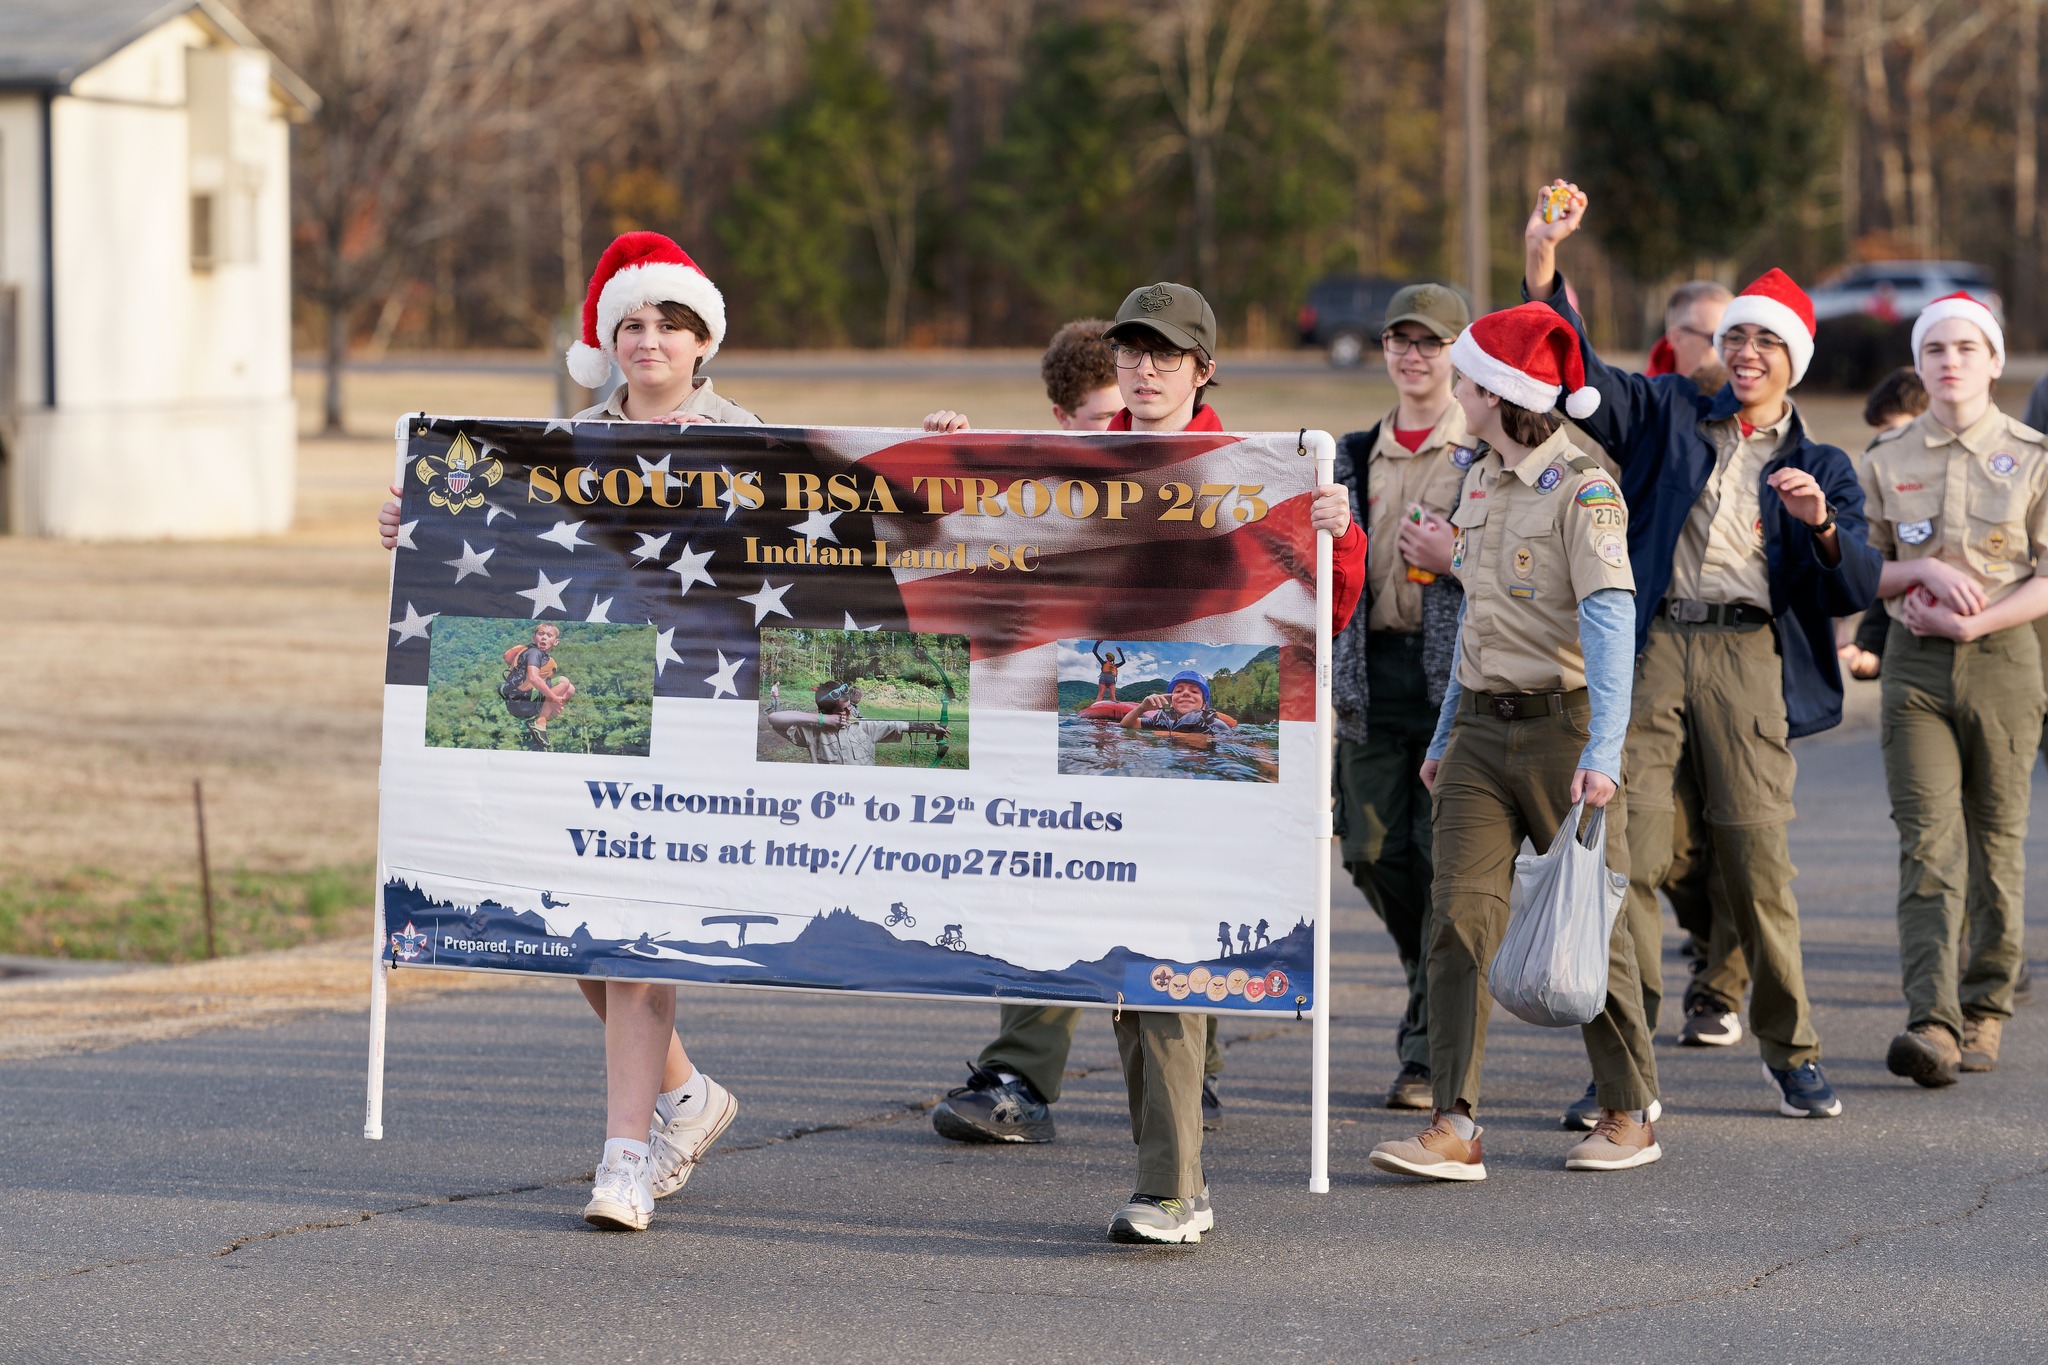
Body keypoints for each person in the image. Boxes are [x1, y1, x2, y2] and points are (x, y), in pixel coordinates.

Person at [930, 283, 1363, 1244]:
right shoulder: (1078, 462)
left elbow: (1325, 619)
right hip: (1078, 764)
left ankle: (1174, 1188)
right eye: (1133, 349)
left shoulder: (1264, 472)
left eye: (1168, 352)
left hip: (1201, 783)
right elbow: (978, 557)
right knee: (1092, 954)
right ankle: (1074, 1108)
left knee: (1162, 971)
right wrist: (941, 463)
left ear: (1204, 367)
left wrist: (1335, 533)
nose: (1147, 366)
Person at [378, 231, 753, 1231]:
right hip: (583, 727)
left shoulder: (755, 441)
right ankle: (685, 1096)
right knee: (567, 927)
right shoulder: (564, 446)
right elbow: (499, 554)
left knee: (634, 933)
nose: (648, 340)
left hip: (690, 720)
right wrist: (417, 524)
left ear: (702, 338)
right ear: (606, 340)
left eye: (668, 322)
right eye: (630, 323)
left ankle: (623, 1158)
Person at [1523, 182, 1881, 1121]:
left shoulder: (1824, 463)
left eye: (1765, 342)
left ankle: (1792, 1048)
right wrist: (1544, 264)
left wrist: (1822, 528)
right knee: (1626, 861)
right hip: (1653, 650)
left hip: (1748, 656)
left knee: (1757, 862)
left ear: (1793, 359)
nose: (1747, 353)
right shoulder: (1670, 411)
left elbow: (1854, 589)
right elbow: (1578, 379)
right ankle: (1623, 1067)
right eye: (1735, 339)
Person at [1367, 301, 1660, 1180]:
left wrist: (1603, 751)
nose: (1454, 387)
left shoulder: (1584, 488)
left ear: (1500, 391)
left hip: (1563, 732)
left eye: (1466, 376)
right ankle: (1455, 1122)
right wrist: (1448, 729)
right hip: (1479, 738)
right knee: (1457, 920)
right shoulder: (1482, 480)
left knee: (1584, 924)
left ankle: (1627, 1110)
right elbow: (1476, 623)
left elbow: (1611, 625)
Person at [1860, 293, 2048, 1085]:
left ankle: (1984, 1008)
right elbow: (1860, 569)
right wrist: (1922, 572)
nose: (1951, 361)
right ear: (1920, 362)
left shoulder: (2035, 454)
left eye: (1968, 348)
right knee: (1927, 844)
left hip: (2004, 658)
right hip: (1914, 668)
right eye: (1935, 348)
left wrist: (1979, 623)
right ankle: (1931, 1023)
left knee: (1996, 842)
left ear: (1996, 361)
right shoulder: (1887, 458)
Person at [1331, 282, 1470, 1111]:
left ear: (1459, 354)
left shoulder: (1481, 451)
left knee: (1443, 861)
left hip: (1451, 677)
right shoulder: (1350, 454)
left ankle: (1426, 1050)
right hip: (1369, 676)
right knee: (1371, 850)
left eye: (1431, 342)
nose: (1413, 356)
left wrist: (1455, 554)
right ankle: (1430, 975)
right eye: (1399, 340)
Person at [1839, 368, 1933, 680]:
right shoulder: (1885, 478)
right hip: (1914, 664)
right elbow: (1889, 571)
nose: (1885, 446)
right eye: (1880, 436)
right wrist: (1870, 646)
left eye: (1894, 431)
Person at [764, 684, 948, 764]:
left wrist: (932, 727)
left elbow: (899, 725)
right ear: (825, 713)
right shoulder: (812, 732)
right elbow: (774, 718)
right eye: (842, 710)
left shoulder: (864, 727)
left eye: (850, 707)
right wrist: (822, 720)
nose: (849, 712)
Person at [501, 623, 576, 739]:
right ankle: (540, 723)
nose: (544, 637)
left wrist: (554, 701)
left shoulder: (545, 659)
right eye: (541, 634)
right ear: (534, 637)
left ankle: (538, 719)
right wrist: (554, 698)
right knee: (564, 682)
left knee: (570, 689)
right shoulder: (534, 652)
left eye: (549, 635)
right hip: (520, 701)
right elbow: (533, 678)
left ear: (556, 642)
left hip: (526, 704)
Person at [1120, 669, 1235, 735]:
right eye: (1179, 690)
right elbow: (1125, 725)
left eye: (1194, 691)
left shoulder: (1213, 724)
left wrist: (1168, 736)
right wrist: (1142, 708)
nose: (1185, 693)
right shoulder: (1160, 720)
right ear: (1171, 703)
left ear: (1204, 704)